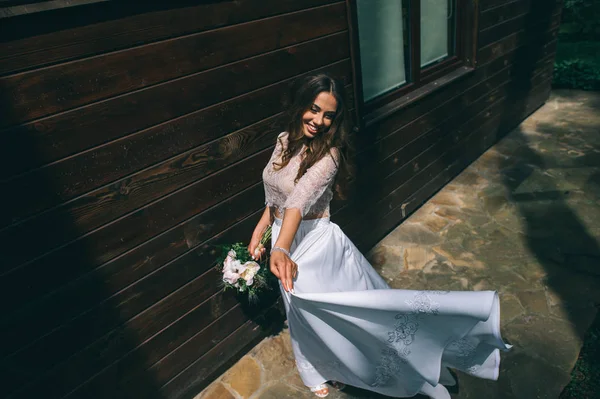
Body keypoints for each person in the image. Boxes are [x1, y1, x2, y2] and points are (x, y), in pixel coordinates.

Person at [248, 74, 510, 399]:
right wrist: (262, 230)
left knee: (348, 318)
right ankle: (315, 368)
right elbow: (275, 194)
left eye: (328, 115)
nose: (319, 121)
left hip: (314, 247)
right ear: (301, 104)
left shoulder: (329, 156)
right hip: (282, 238)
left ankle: (386, 364)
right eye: (314, 109)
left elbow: (298, 202)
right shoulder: (284, 140)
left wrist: (282, 248)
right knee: (301, 317)